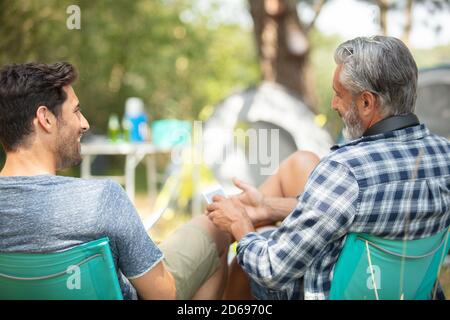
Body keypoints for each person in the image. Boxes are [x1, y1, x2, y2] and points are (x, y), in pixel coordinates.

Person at [206, 35, 450, 300]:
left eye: (338, 95)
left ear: (367, 102)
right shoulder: (445, 156)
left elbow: (271, 270)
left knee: (251, 253)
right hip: (408, 293)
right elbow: (363, 210)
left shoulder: (346, 169)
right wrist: (268, 206)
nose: (334, 104)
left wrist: (240, 225)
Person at [0, 62, 232, 300]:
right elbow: (164, 295)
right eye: (76, 111)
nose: (85, 123)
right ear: (46, 118)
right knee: (218, 226)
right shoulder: (101, 199)